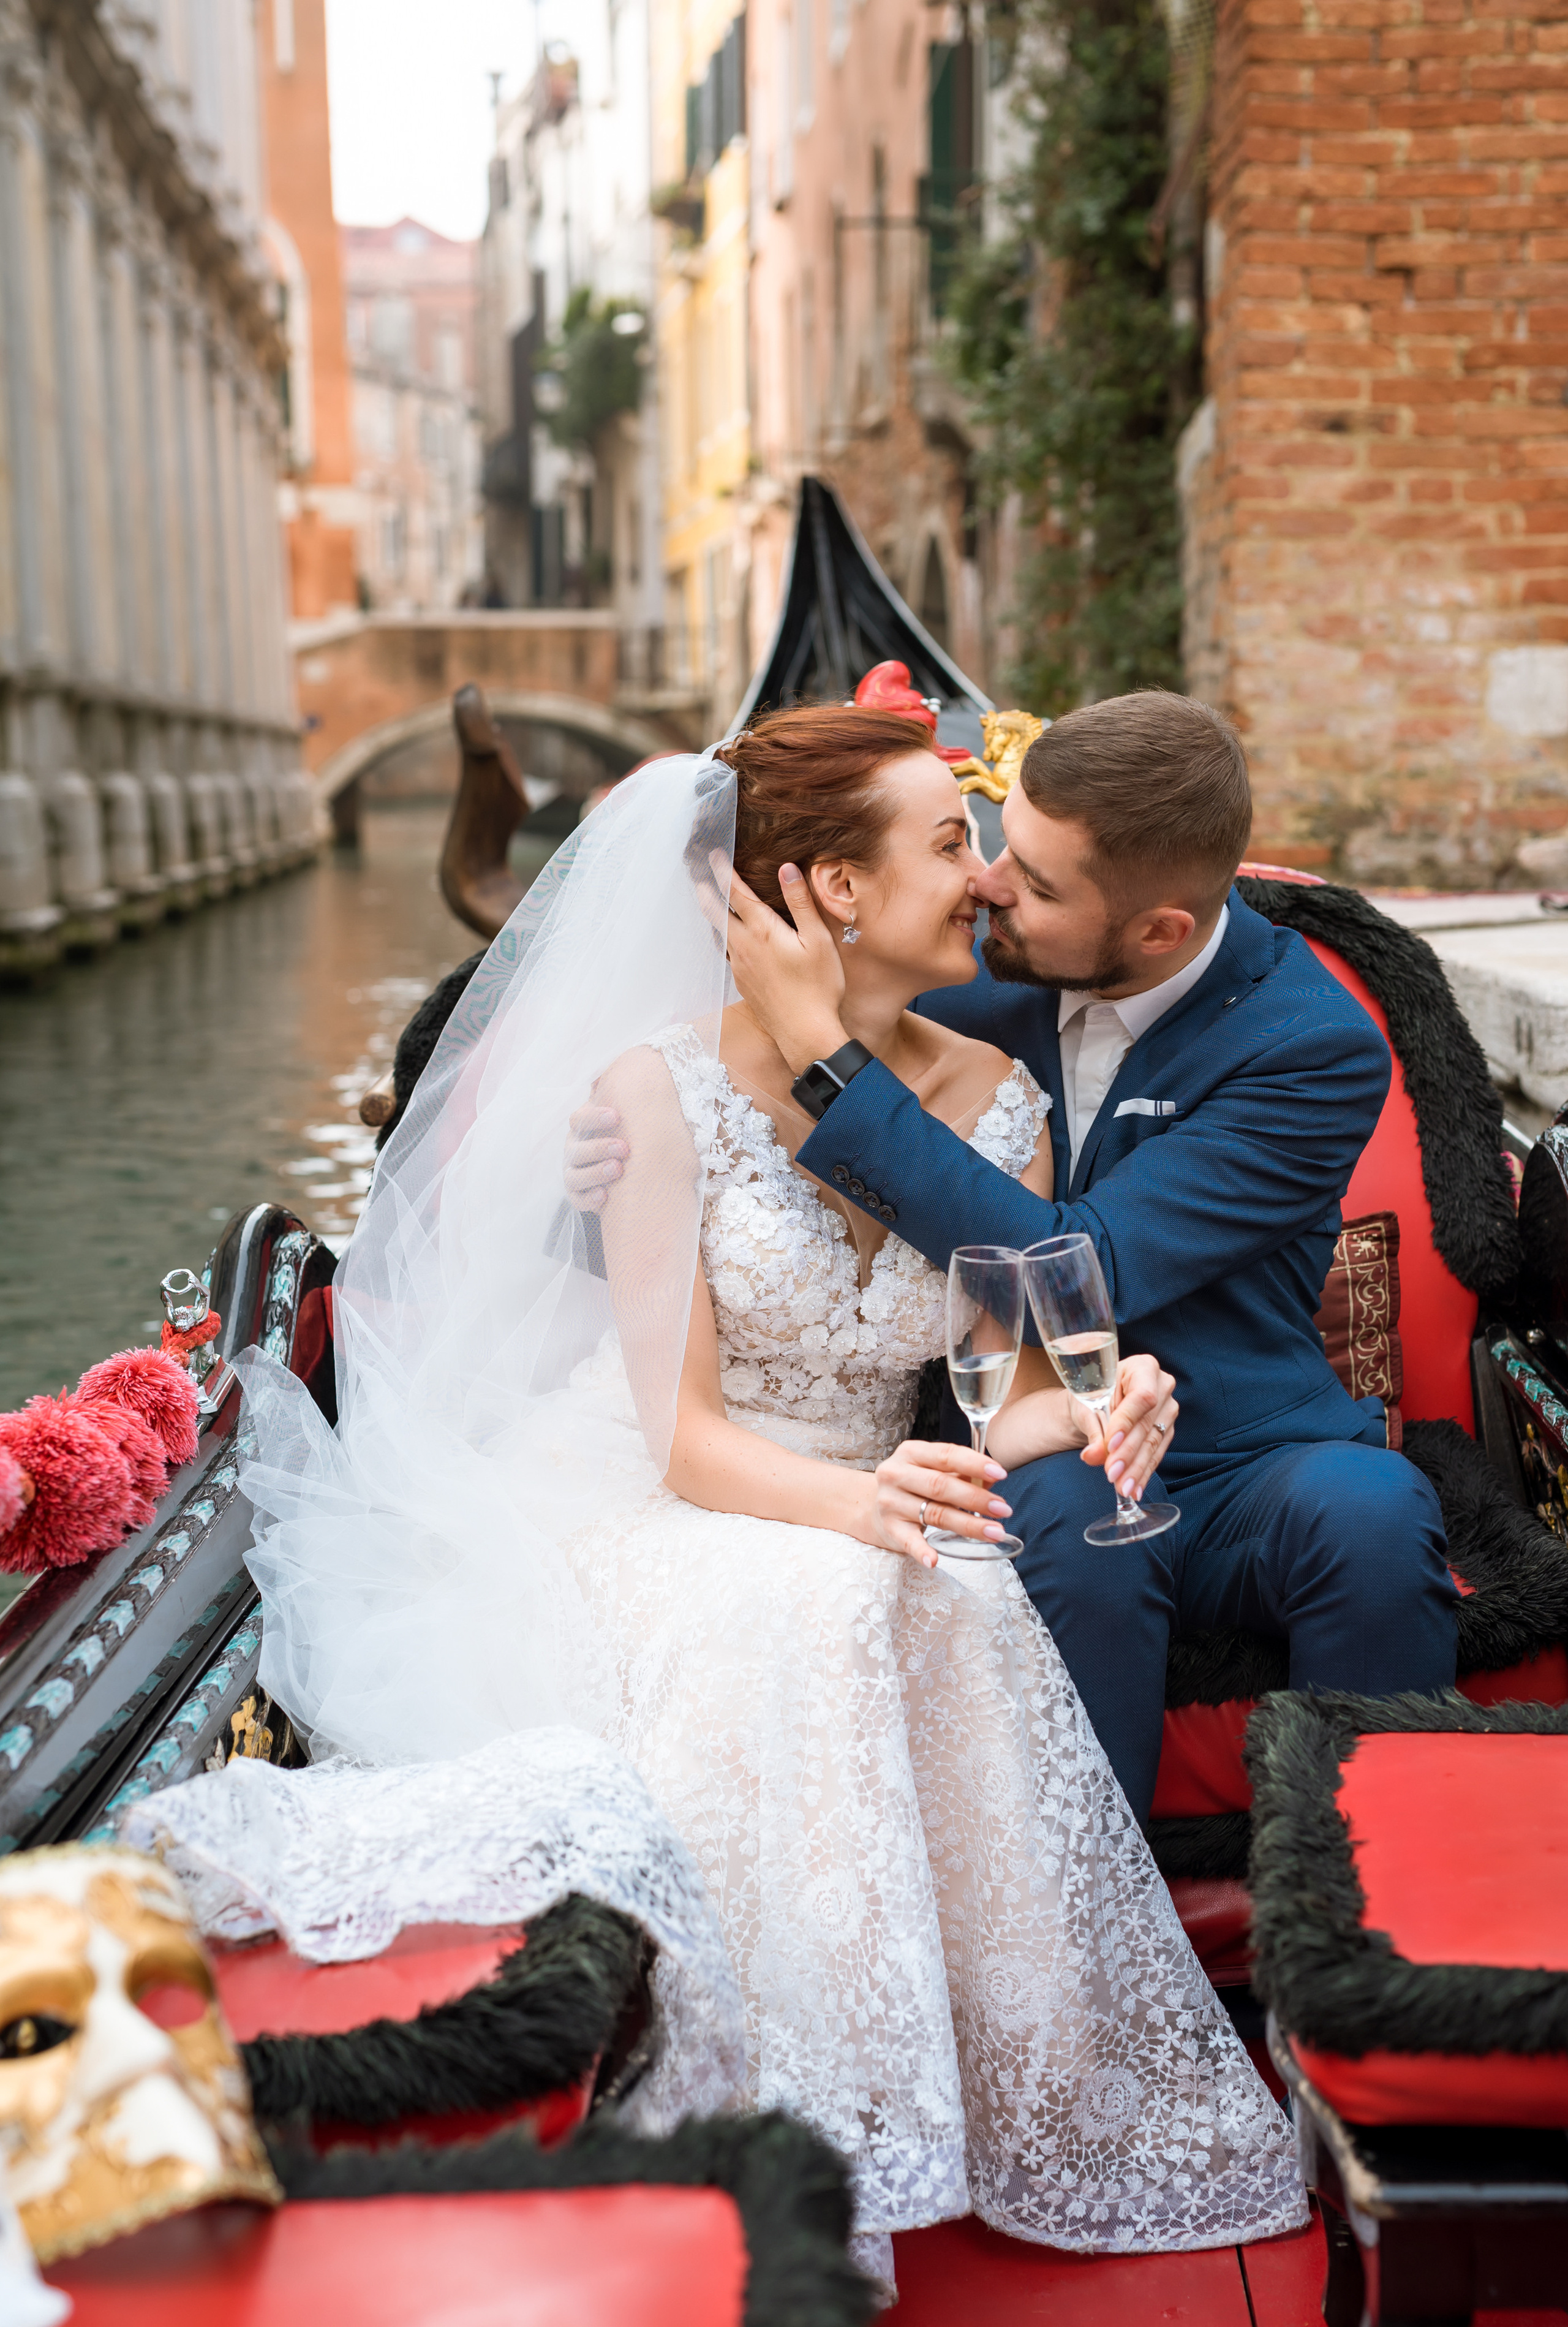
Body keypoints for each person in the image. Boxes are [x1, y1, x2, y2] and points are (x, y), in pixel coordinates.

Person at [232, 709, 1303, 2287]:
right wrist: (861, 1498)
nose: (987, 878)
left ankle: (1008, 2081)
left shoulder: (998, 1097)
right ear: (832, 894)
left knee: (952, 1574)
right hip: (662, 1481)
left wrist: (1100, 1404)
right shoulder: (657, 1095)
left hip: (842, 1479)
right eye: (950, 842)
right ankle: (802, 2137)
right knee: (836, 1589)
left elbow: (1008, 1398)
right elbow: (680, 1441)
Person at [571, 691, 1455, 1827]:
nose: (989, 887)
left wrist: (830, 1061)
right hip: (1024, 1433)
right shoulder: (960, 957)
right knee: (1082, 1532)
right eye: (989, 846)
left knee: (1375, 1511)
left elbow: (1067, 1262)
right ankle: (1097, 1915)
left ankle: (1372, 1930)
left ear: (1158, 933)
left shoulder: (1309, 1047)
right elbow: (715, 1113)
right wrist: (587, 1173)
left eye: (1035, 883)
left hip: (1241, 1460)